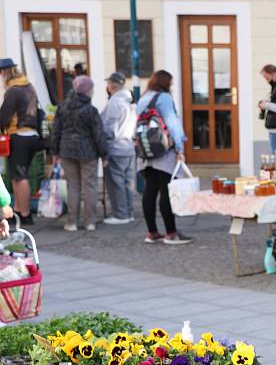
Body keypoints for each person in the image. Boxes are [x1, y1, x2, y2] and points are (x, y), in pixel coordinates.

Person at [136, 70, 192, 245]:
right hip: (163, 150)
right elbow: (172, 122)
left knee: (150, 190)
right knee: (166, 191)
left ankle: (151, 232)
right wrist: (180, 148)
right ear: (165, 83)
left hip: (145, 149)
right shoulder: (164, 98)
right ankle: (171, 233)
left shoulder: (144, 98)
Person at [52, 76, 107, 232]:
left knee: (73, 186)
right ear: (88, 91)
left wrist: (55, 152)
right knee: (90, 185)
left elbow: (56, 131)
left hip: (66, 150)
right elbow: (98, 134)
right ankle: (90, 222)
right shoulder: (90, 110)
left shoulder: (63, 107)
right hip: (87, 151)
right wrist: (104, 155)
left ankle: (72, 222)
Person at [0, 58, 40, 225]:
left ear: (3, 72)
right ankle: (18, 209)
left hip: (19, 135)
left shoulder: (13, 90)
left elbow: (4, 117)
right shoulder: (28, 86)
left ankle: (24, 213)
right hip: (32, 135)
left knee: (20, 176)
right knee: (18, 176)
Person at [100, 72, 136, 224]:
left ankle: (121, 214)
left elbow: (109, 129)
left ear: (112, 85)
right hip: (128, 146)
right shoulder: (129, 102)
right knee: (127, 182)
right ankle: (128, 212)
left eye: (108, 84)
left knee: (116, 183)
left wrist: (104, 148)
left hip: (116, 147)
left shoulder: (115, 103)